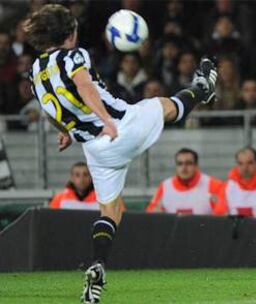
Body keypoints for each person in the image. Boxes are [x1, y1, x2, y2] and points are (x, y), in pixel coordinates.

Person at [24, 4, 218, 303]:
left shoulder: (35, 71)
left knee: (111, 211)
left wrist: (64, 131)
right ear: (69, 33)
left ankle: (98, 265)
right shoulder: (75, 55)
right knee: (166, 107)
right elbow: (84, 85)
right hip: (120, 127)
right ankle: (203, 88)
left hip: (96, 151)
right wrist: (106, 120)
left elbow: (49, 106)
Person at [146, 148, 223, 215]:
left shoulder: (213, 185)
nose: (184, 168)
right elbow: (151, 212)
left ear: (196, 166)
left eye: (188, 163)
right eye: (180, 164)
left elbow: (224, 213)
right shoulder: (165, 186)